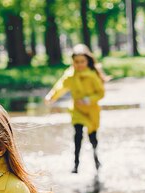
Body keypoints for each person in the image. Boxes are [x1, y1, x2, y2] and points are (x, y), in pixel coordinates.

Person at [45, 44, 107, 173]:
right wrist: (52, 96)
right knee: (77, 135)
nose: (79, 64)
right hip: (77, 111)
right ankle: (76, 164)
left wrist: (88, 99)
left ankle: (96, 160)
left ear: (87, 61)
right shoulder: (70, 75)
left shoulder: (93, 75)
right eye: (76, 62)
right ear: (73, 62)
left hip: (91, 111)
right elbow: (60, 86)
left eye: (82, 61)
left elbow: (100, 93)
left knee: (92, 137)